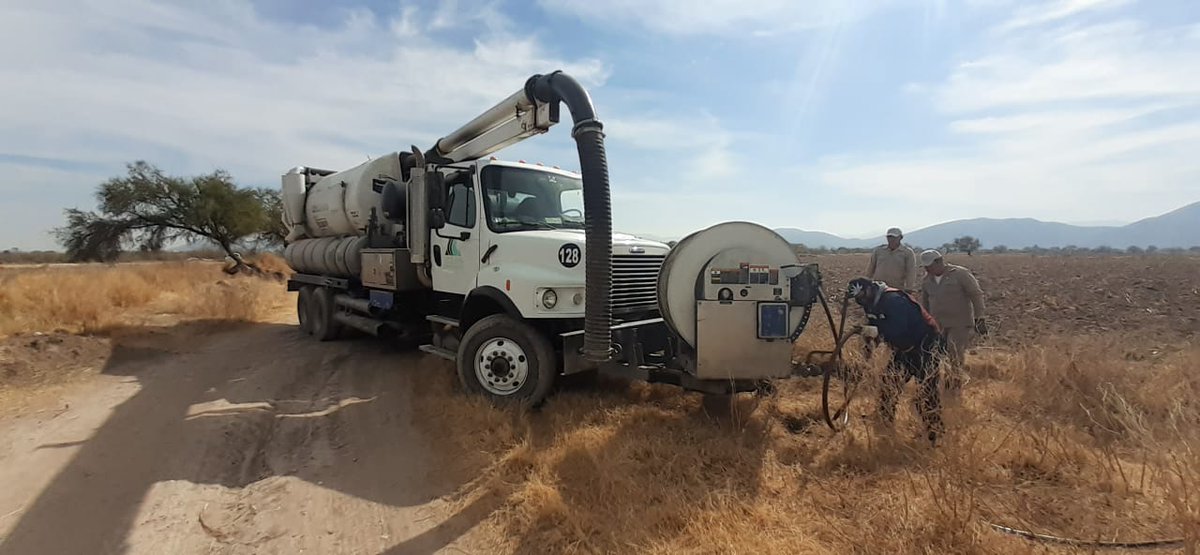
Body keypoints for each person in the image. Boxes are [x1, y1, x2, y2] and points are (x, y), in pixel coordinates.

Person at [847, 277, 944, 445]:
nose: (862, 301)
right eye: (858, 299)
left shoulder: (894, 300)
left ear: (870, 288)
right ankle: (884, 428)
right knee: (888, 385)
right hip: (904, 349)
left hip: (925, 348)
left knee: (927, 392)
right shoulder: (871, 303)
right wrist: (866, 353)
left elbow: (897, 329)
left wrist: (876, 331)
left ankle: (935, 435)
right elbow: (874, 329)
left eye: (863, 296)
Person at [918, 249, 987, 392]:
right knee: (935, 354)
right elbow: (924, 303)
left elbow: (976, 295)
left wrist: (980, 317)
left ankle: (955, 383)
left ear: (939, 261)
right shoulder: (926, 281)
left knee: (954, 351)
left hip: (959, 323)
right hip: (938, 324)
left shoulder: (960, 274)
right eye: (925, 266)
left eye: (929, 265)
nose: (927, 269)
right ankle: (936, 383)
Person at [866, 227, 918, 292]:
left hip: (896, 288)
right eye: (889, 237)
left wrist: (909, 288)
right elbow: (871, 267)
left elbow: (911, 271)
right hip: (878, 287)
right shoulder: (878, 250)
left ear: (901, 237)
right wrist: (866, 282)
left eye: (894, 237)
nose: (891, 239)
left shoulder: (907, 252)